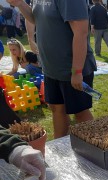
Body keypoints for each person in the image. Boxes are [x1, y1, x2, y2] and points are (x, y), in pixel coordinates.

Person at [7, 0, 97, 139]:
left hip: (71, 68)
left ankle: (97, 150)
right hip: (51, 68)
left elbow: (81, 32)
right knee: (56, 109)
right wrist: (20, 4)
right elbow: (36, 18)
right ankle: (59, 146)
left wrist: (77, 71)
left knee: (80, 113)